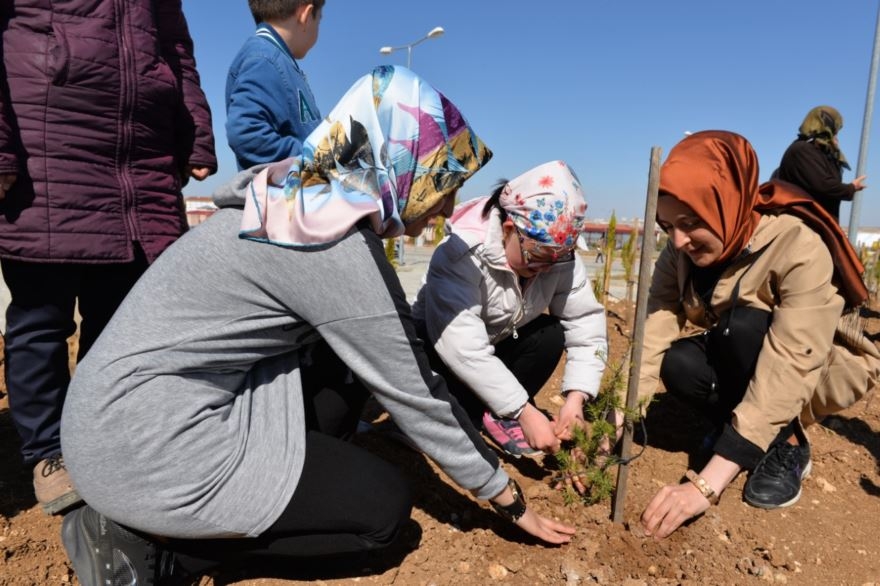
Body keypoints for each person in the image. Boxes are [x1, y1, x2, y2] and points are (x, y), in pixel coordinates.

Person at [59, 66, 576, 586]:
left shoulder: (298, 200)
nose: (444, 209)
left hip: (117, 414)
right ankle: (153, 555)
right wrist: (507, 498)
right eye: (440, 184)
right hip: (143, 445)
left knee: (343, 364)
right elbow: (418, 394)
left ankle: (206, 500)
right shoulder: (333, 246)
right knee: (382, 514)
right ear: (399, 168)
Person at [0, 0, 217, 515]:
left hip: (137, 161)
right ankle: (49, 451)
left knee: (122, 320)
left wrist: (196, 135)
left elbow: (176, 48)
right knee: (41, 320)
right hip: (46, 148)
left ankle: (104, 434)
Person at [634, 130, 879, 540]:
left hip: (813, 370)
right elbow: (657, 321)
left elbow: (791, 361)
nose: (678, 240)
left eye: (691, 222)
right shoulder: (680, 251)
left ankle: (788, 441)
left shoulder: (797, 244)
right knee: (679, 364)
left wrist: (705, 485)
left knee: (743, 326)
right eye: (667, 225)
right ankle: (743, 430)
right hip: (747, 354)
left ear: (726, 203)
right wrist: (619, 415)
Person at [410, 161, 607, 459]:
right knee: (441, 397)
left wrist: (576, 398)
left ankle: (495, 414)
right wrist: (525, 411)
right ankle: (457, 413)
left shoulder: (557, 257)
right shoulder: (461, 254)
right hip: (439, 354)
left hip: (492, 348)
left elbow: (585, 324)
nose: (544, 268)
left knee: (550, 335)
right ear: (509, 228)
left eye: (556, 259)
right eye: (537, 256)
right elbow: (462, 347)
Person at [226, 0, 323, 170]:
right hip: (282, 193)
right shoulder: (264, 60)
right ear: (306, 15)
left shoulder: (274, 59)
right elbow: (246, 133)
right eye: (319, 19)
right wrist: (311, 157)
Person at [775, 105, 866, 222]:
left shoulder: (817, 151)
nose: (836, 133)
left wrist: (833, 150)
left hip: (815, 221)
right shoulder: (802, 149)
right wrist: (850, 188)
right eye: (834, 129)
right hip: (803, 223)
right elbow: (823, 184)